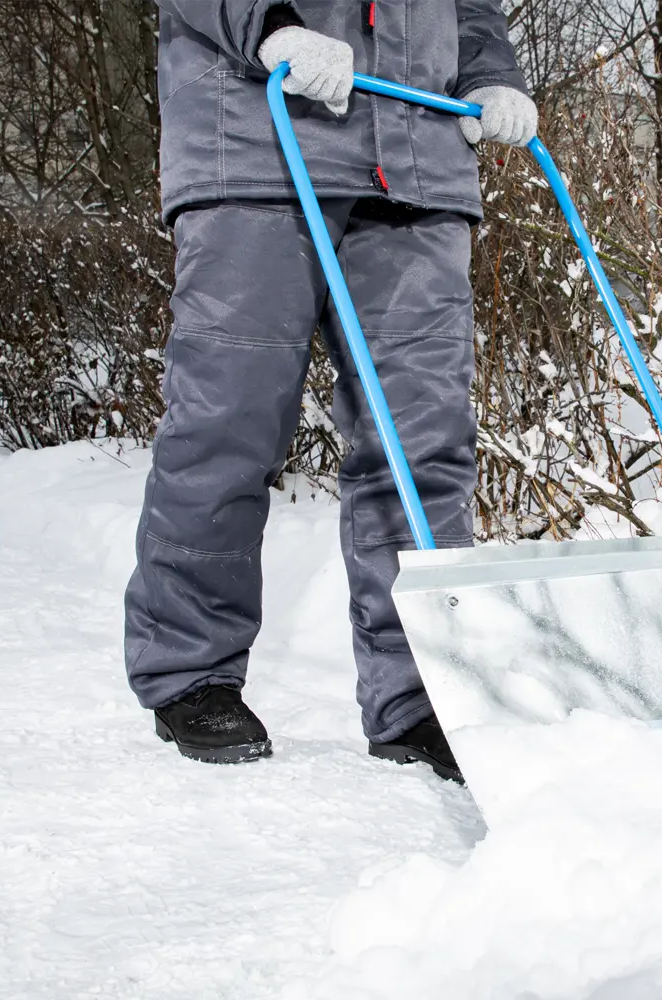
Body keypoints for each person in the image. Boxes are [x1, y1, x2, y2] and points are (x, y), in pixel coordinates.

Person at [123, 1, 536, 782]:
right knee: (227, 423)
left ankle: (419, 694)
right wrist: (269, 23)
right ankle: (191, 672)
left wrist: (488, 70)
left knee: (423, 445)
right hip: (259, 139)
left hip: (419, 157)